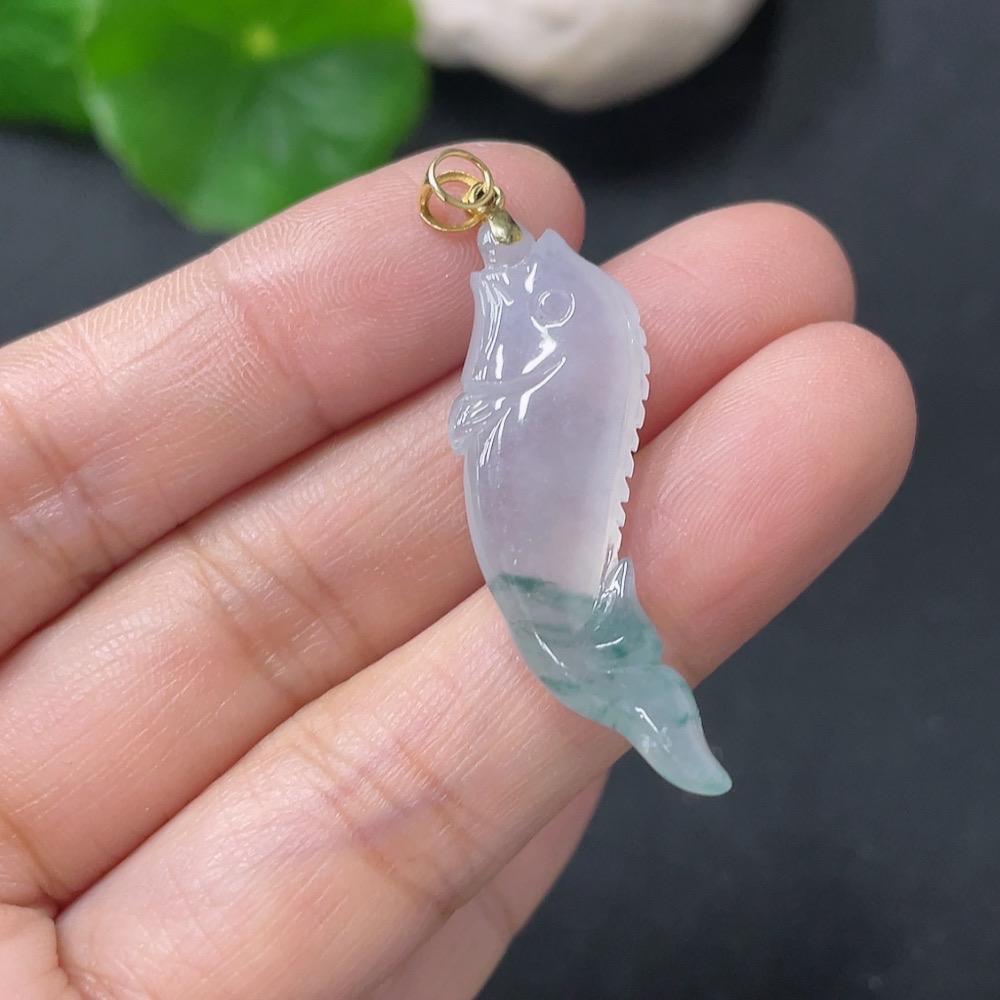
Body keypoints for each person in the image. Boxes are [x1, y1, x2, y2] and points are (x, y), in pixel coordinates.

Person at [0, 143, 915, 999]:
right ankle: (642, 702)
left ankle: (644, 703)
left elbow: (507, 396)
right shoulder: (533, 328)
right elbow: (489, 405)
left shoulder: (556, 330)